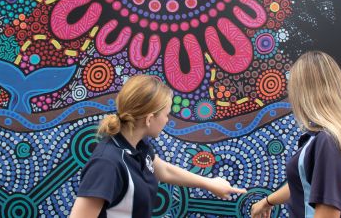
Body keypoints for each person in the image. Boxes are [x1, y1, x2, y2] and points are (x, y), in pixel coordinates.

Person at [70, 74, 247, 217]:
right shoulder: (107, 163)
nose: (167, 120)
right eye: (166, 114)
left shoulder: (138, 147)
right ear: (149, 119)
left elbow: (163, 170)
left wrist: (210, 183)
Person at [250, 51, 341, 218]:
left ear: (303, 92)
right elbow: (303, 181)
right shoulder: (321, 138)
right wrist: (267, 202)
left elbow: (327, 213)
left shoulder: (329, 142)